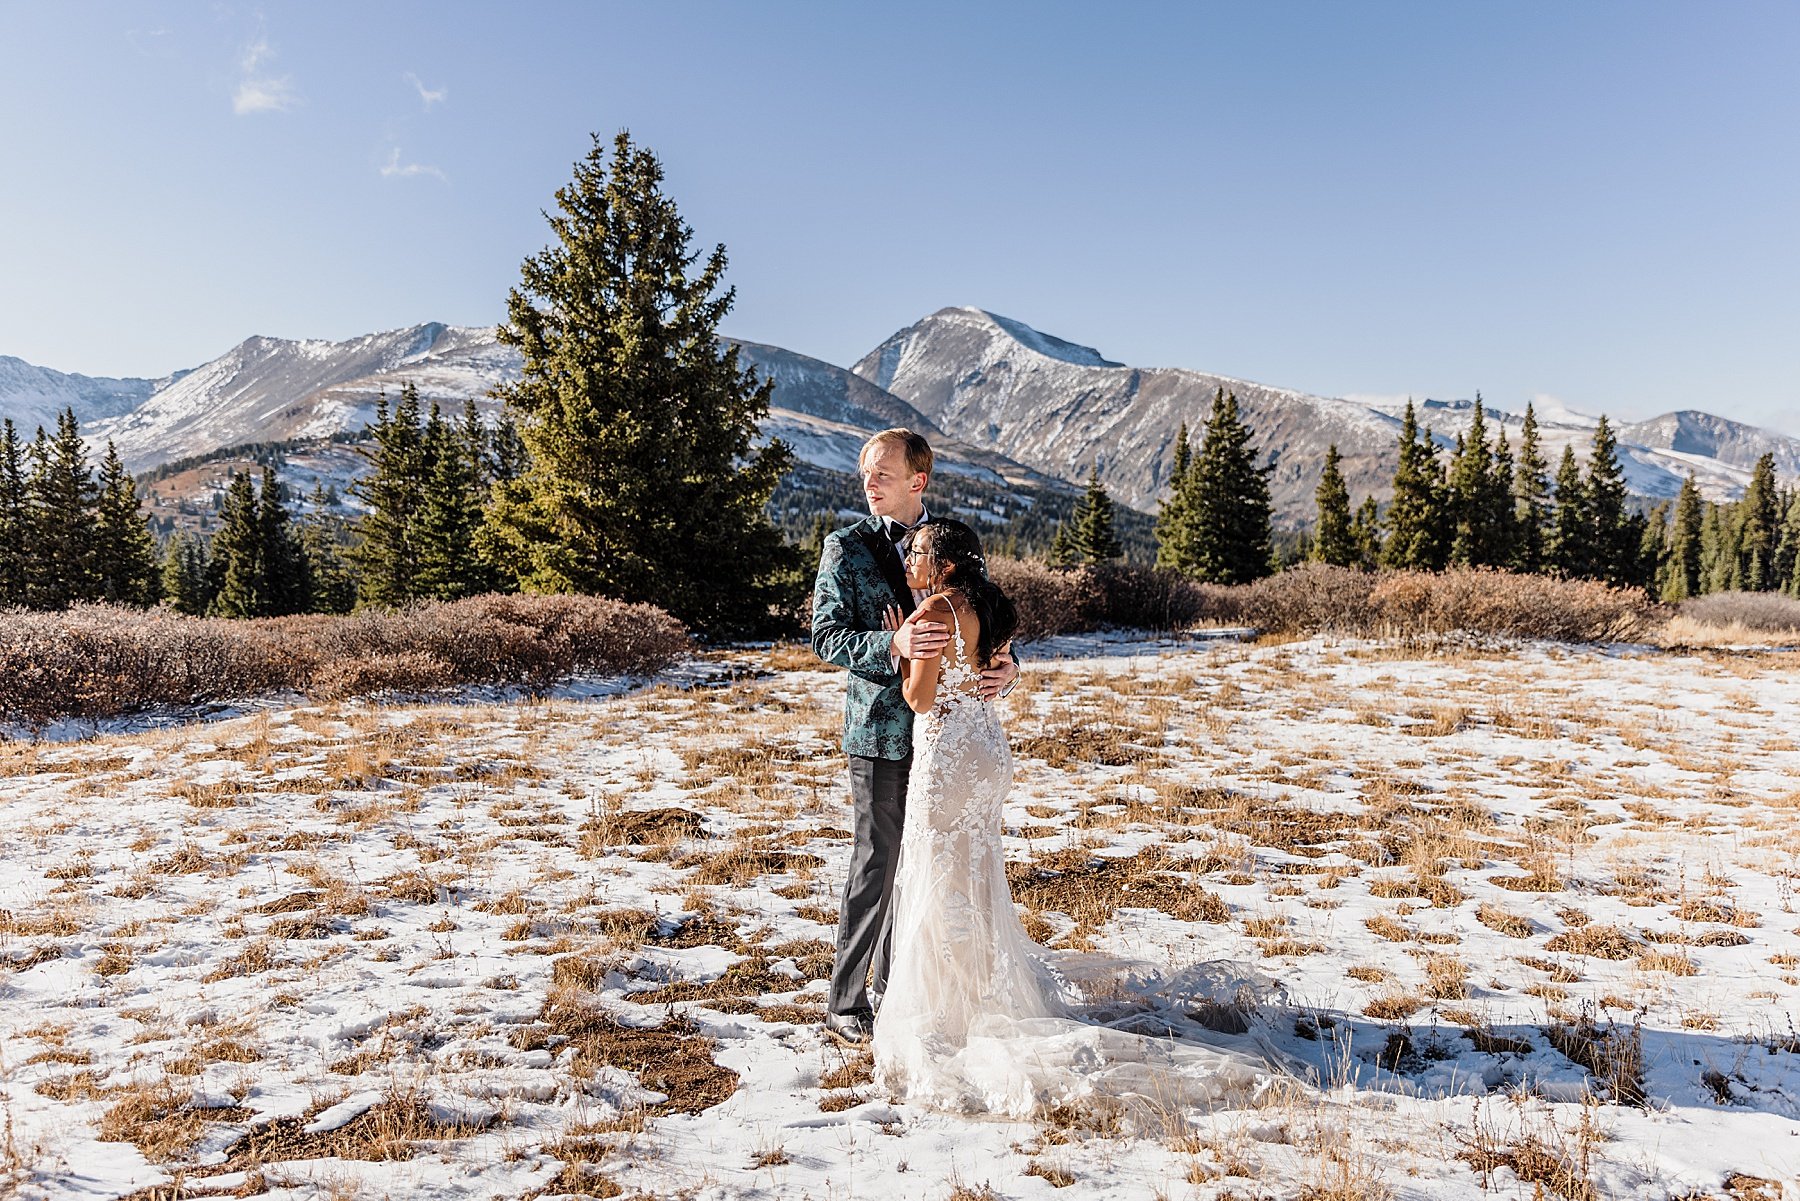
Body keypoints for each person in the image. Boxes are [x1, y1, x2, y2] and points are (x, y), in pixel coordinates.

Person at [872, 517, 1280, 1119]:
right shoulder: (987, 605)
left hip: (948, 758)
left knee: (940, 875)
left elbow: (920, 698)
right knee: (975, 875)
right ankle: (977, 990)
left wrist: (897, 646)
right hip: (986, 750)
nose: (909, 564)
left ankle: (949, 1009)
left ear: (945, 563)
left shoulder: (932, 610)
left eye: (917, 554)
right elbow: (993, 673)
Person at [810, 429, 1017, 1047]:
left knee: (926, 863)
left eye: (881, 474)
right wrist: (889, 644)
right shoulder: (844, 549)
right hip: (877, 730)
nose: (868, 484)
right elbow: (825, 635)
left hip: (946, 737)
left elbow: (986, 615)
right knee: (877, 861)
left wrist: (1010, 668)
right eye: (864, 473)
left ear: (917, 481)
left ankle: (901, 987)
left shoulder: (951, 544)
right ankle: (847, 1001)